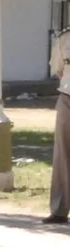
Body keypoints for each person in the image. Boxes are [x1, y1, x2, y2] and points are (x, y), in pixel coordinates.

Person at [45, 29, 70, 224]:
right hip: (68, 99)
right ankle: (59, 209)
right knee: (63, 155)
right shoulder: (65, 38)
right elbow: (59, 70)